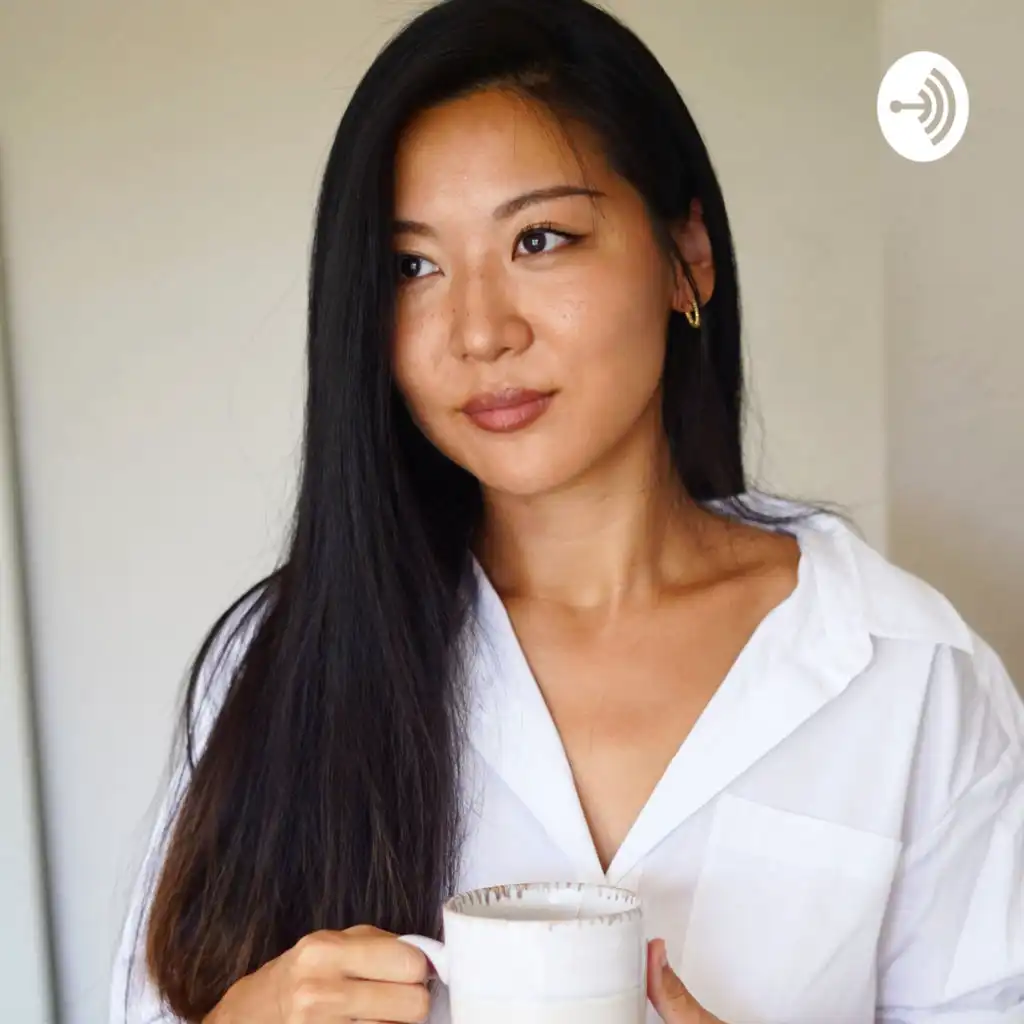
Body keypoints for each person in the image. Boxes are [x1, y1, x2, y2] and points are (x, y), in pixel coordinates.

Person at [110, 0, 1024, 1021]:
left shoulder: (908, 671)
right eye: (413, 267)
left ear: (687, 255)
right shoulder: (283, 665)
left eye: (540, 239)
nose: (479, 331)